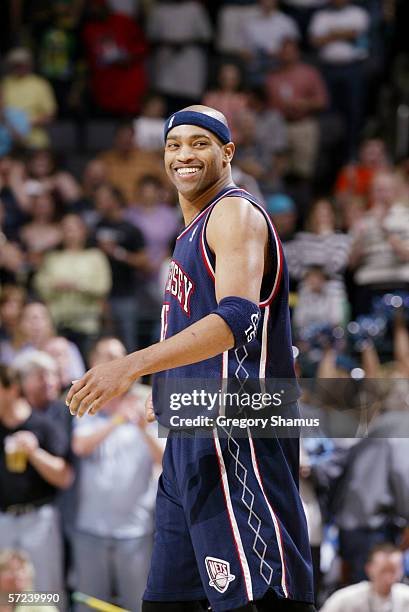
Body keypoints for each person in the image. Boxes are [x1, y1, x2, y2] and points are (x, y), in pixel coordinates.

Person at [66, 105, 315, 611]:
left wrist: (131, 365)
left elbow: (236, 320)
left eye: (200, 143)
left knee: (258, 596)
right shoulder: (189, 233)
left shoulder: (234, 212)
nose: (184, 154)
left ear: (227, 152)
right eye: (174, 144)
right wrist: (177, 386)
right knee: (167, 602)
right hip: (191, 437)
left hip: (235, 432)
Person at [71, 337, 163, 612]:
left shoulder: (148, 400)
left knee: (138, 604)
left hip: (135, 529)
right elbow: (80, 446)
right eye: (107, 355)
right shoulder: (84, 400)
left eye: (120, 355)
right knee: (89, 605)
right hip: (91, 527)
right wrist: (118, 419)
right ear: (93, 363)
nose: (114, 362)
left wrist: (141, 428)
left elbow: (165, 458)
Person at [320, 544, 409, 612]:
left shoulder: (406, 596)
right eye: (383, 571)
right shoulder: (346, 598)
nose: (388, 576)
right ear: (369, 568)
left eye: (393, 570)